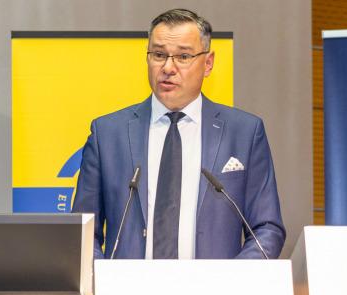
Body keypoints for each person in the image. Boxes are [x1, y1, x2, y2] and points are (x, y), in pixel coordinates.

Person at [72, 8, 285, 260]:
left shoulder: (245, 132)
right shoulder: (107, 134)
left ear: (208, 63)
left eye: (183, 56)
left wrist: (231, 283)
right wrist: (105, 282)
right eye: (159, 54)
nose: (168, 67)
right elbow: (83, 233)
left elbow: (266, 229)